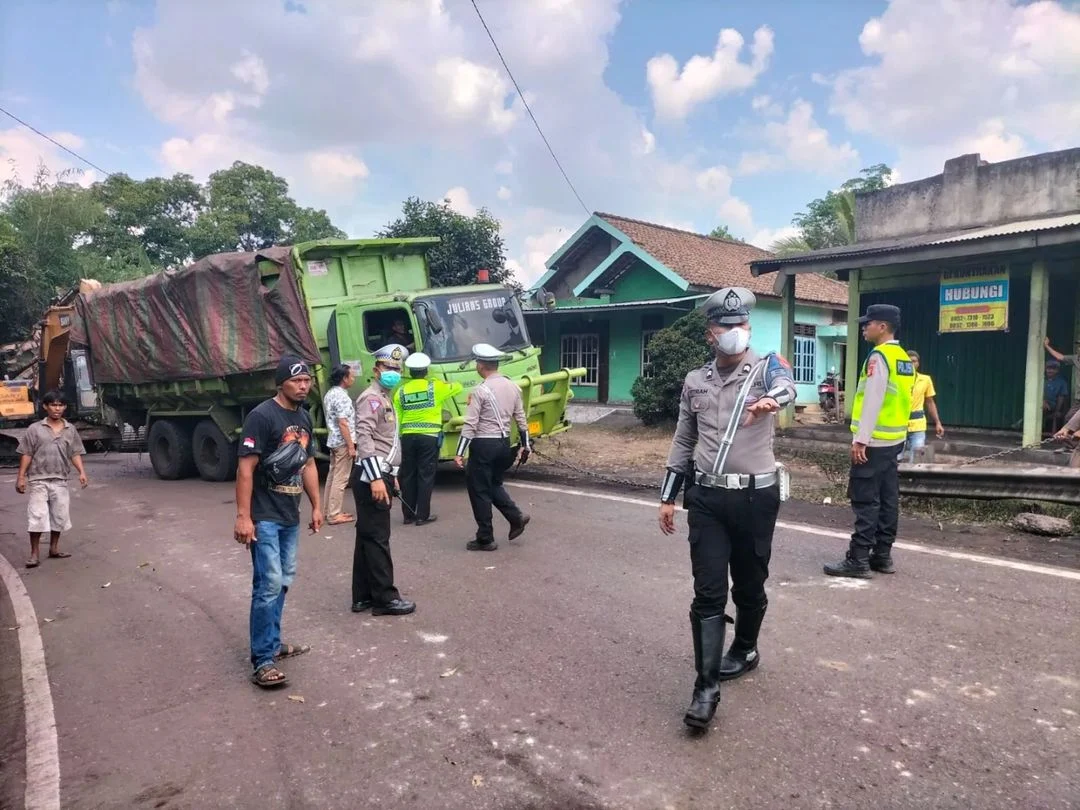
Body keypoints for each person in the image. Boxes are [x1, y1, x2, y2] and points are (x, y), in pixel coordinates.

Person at [658, 287, 796, 731]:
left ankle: (746, 647)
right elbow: (683, 439)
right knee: (708, 591)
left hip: (757, 498)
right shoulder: (695, 381)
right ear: (710, 334)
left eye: (741, 326)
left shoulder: (766, 367)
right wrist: (668, 495)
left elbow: (786, 386)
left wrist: (772, 400)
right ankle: (705, 687)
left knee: (751, 583)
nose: (735, 333)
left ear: (749, 329)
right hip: (707, 498)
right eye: (725, 327)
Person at [235, 357, 323, 689]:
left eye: (307, 380)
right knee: (268, 584)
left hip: (290, 514)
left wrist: (317, 506)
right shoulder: (261, 417)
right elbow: (245, 469)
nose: (303, 386)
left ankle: (272, 644)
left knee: (283, 580)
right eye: (297, 381)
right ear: (281, 383)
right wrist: (244, 517)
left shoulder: (303, 417)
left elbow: (309, 463)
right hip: (265, 516)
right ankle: (263, 660)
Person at [825, 304, 914, 579]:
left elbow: (873, 399)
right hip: (894, 440)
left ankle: (859, 559)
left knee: (866, 501)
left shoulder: (879, 356)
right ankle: (882, 555)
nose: (864, 327)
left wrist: (860, 440)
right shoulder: (902, 357)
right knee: (888, 500)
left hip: (873, 443)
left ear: (883, 327)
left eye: (868, 323)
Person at [350, 344, 416, 616]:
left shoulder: (385, 396)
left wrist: (393, 477)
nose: (394, 373)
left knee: (367, 536)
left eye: (397, 369)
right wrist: (378, 479)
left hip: (379, 472)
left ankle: (363, 596)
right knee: (378, 537)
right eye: (389, 368)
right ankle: (385, 598)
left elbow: (385, 440)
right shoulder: (371, 398)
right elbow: (364, 437)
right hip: (371, 475)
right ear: (376, 369)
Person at [454, 343, 531, 551]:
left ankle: (485, 538)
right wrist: (526, 445)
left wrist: (459, 452)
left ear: (480, 365)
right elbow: (521, 418)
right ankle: (516, 517)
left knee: (479, 489)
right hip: (504, 444)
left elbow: (471, 425)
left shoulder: (480, 391)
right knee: (494, 484)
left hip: (483, 445)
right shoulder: (513, 386)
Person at [15, 390, 88, 568]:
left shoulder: (70, 429)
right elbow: (26, 453)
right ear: (45, 407)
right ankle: (34, 554)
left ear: (64, 407)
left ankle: (54, 549)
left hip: (60, 479)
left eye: (60, 405)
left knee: (59, 516)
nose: (57, 408)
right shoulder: (35, 429)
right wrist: (21, 477)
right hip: (39, 479)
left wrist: (82, 472)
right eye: (53, 405)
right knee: (37, 517)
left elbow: (75, 453)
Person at [394, 351, 462, 526]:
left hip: (408, 436)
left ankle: (408, 515)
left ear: (410, 372)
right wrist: (438, 381)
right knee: (425, 475)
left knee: (408, 474)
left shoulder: (400, 391)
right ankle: (422, 515)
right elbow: (458, 387)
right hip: (429, 437)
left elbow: (398, 417)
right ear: (426, 371)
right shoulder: (435, 387)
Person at [321, 363, 357, 526]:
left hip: (333, 440)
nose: (353, 378)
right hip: (342, 441)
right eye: (351, 376)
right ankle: (334, 514)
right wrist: (351, 446)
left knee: (332, 476)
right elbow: (343, 423)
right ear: (344, 378)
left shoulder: (330, 394)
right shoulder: (342, 396)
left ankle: (328, 511)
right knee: (341, 479)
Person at [902, 350, 945, 463]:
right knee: (896, 457)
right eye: (908, 362)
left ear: (918, 363)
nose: (911, 364)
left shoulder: (925, 380)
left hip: (918, 424)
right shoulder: (897, 379)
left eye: (914, 361)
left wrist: (937, 422)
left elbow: (930, 402)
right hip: (899, 423)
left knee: (917, 456)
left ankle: (913, 479)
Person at [1044, 337, 1080, 439]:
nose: (1079, 348)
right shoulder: (1075, 359)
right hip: (1078, 399)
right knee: (1069, 418)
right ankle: (1070, 445)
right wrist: (1047, 346)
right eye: (1078, 346)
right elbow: (1060, 357)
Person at [1043, 360, 1070, 435]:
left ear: (1057, 370)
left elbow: (1061, 398)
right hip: (1040, 403)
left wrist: (1057, 411)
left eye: (1053, 369)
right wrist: (1043, 401)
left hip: (1052, 405)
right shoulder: (1041, 379)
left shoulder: (1061, 382)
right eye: (1048, 368)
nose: (1050, 370)